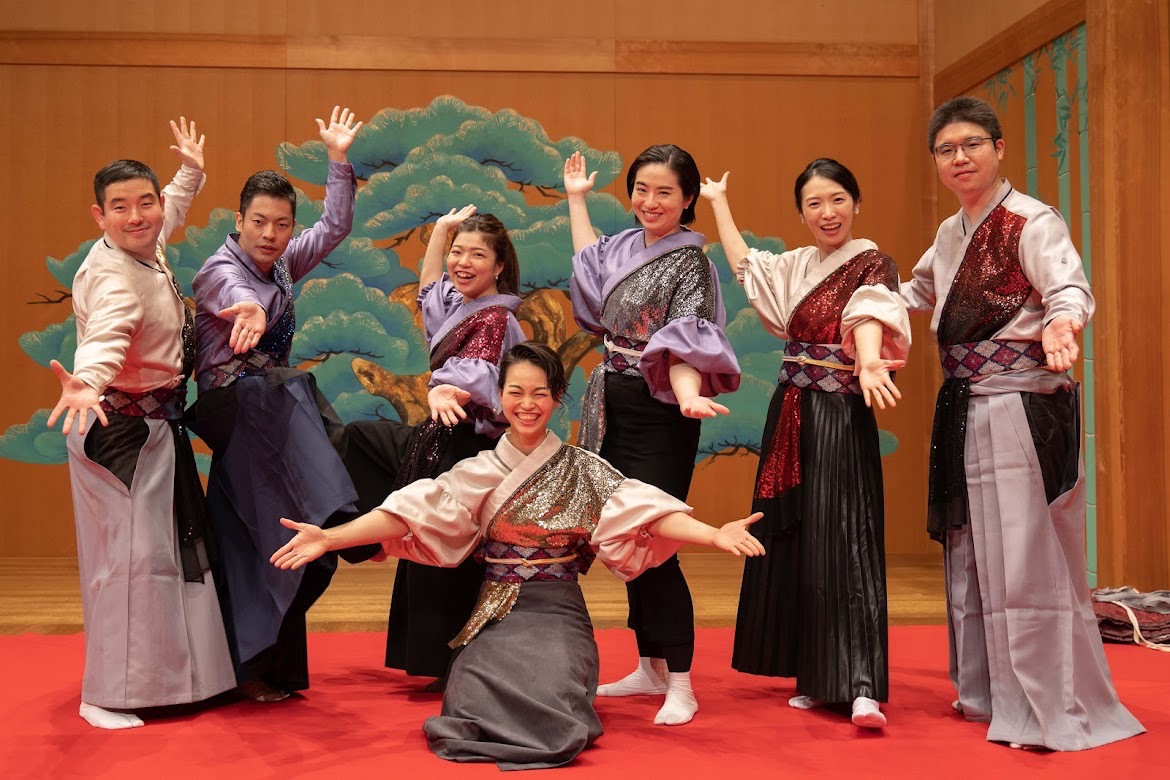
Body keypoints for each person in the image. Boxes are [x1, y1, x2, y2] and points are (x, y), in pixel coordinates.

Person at [272, 342, 765, 770]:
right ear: (500, 397)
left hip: (557, 609)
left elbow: (644, 513)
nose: (527, 405)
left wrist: (713, 534)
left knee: (554, 695)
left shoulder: (583, 468)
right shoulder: (478, 470)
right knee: (467, 700)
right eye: (515, 392)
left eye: (540, 393)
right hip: (496, 610)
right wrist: (331, 538)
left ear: (556, 399)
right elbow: (408, 514)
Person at [902, 95, 1144, 749]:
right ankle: (988, 692)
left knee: (1027, 559)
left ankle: (1046, 706)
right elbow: (914, 294)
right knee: (975, 556)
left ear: (999, 148)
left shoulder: (1031, 221)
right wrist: (860, 311)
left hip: (1021, 406)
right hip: (964, 405)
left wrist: (1063, 324)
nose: (960, 158)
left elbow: (1069, 289)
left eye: (971, 144)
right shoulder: (951, 233)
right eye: (947, 150)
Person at [700, 160, 910, 728]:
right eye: (815, 204)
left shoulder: (874, 262)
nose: (827, 213)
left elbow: (869, 312)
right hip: (791, 410)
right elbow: (747, 266)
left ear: (856, 203)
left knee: (847, 534)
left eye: (837, 199)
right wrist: (718, 203)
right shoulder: (796, 266)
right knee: (800, 537)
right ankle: (817, 676)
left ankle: (861, 682)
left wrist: (867, 361)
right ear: (801, 213)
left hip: (840, 409)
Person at [47, 118, 236, 729]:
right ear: (97, 215)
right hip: (119, 429)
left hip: (156, 429)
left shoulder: (143, 241)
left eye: (146, 203)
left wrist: (192, 174)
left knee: (164, 558)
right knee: (127, 567)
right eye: (120, 208)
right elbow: (106, 338)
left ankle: (175, 680)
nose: (139, 216)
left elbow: (173, 209)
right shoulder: (113, 278)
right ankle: (105, 694)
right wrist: (88, 380)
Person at [187, 106, 363, 702]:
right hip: (237, 409)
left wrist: (338, 163)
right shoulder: (219, 270)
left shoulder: (285, 262)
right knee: (262, 535)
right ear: (239, 220)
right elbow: (233, 296)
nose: (270, 234)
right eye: (259, 222)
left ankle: (269, 668)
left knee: (283, 536)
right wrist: (252, 311)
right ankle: (249, 668)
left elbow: (334, 228)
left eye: (282, 224)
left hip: (269, 408)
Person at [564, 146, 740, 725]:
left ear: (688, 199)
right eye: (641, 188)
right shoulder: (624, 246)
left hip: (661, 406)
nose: (650, 202)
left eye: (664, 192)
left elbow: (686, 340)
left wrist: (688, 394)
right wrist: (576, 199)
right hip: (610, 401)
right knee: (622, 540)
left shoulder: (690, 263)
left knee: (656, 542)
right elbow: (590, 262)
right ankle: (650, 666)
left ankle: (683, 681)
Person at [339, 207, 526, 690]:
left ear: (499, 264)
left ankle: (451, 662)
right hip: (441, 432)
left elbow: (477, 380)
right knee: (360, 442)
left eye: (476, 255)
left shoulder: (496, 318)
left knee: (443, 546)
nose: (462, 263)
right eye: (457, 254)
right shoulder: (461, 303)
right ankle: (375, 543)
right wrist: (441, 232)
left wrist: (447, 392)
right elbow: (428, 290)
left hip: (465, 442)